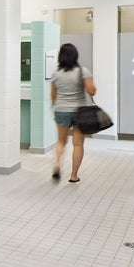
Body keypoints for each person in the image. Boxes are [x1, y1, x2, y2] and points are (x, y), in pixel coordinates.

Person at [50, 43, 97, 183]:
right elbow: (92, 90)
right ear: (75, 56)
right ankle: (73, 176)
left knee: (61, 142)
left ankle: (57, 164)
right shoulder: (83, 71)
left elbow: (53, 95)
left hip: (61, 110)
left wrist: (56, 106)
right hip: (79, 111)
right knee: (78, 144)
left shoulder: (56, 74)